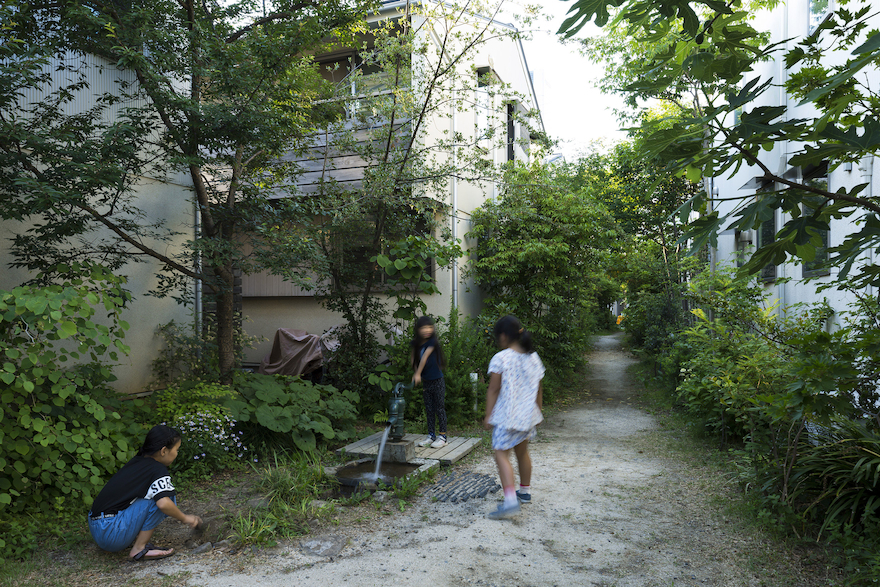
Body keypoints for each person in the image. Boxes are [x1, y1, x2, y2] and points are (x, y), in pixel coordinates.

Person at [88, 425, 203, 561]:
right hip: (110, 533)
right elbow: (163, 504)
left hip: (97, 527)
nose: (177, 453)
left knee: (155, 494)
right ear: (164, 451)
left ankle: (132, 537)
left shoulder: (138, 461)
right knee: (164, 498)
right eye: (176, 450)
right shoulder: (157, 469)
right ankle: (139, 549)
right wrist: (186, 518)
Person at [483, 315, 544, 519]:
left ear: (503, 336)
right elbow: (539, 390)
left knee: (501, 454)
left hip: (507, 416)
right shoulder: (534, 357)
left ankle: (510, 501)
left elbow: (493, 389)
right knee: (522, 452)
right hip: (527, 415)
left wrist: (488, 415)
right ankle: (524, 492)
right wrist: (537, 412)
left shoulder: (501, 358)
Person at [411, 315, 449, 449]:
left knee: (439, 408)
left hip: (437, 380)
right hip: (427, 381)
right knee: (429, 409)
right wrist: (416, 372)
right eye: (424, 328)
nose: (427, 330)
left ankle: (443, 436)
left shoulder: (433, 342)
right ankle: (431, 435)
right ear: (418, 329)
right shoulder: (415, 343)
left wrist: (417, 374)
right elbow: (413, 359)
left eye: (430, 327)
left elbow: (425, 357)